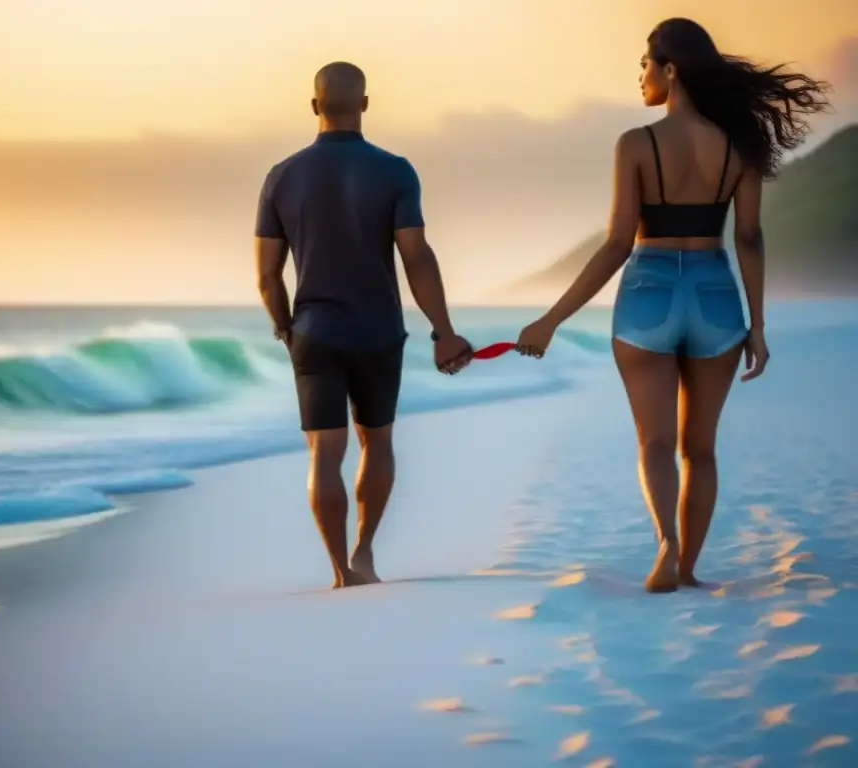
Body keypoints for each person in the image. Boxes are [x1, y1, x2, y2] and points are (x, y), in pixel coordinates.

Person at [514, 18, 830, 593]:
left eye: (645, 64)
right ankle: (688, 570)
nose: (641, 76)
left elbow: (615, 245)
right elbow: (750, 239)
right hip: (715, 293)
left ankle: (665, 543)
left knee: (655, 443)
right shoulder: (742, 146)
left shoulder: (636, 144)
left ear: (670, 70)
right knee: (700, 449)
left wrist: (550, 320)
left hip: (649, 289)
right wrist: (757, 326)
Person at [254, 62, 473, 589]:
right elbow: (416, 257)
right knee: (376, 443)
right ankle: (365, 553)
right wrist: (443, 331)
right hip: (378, 331)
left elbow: (267, 275)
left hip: (315, 331)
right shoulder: (395, 170)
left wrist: (286, 331)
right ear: (366, 104)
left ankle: (339, 572)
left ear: (314, 106)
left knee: (324, 454)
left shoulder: (281, 176)